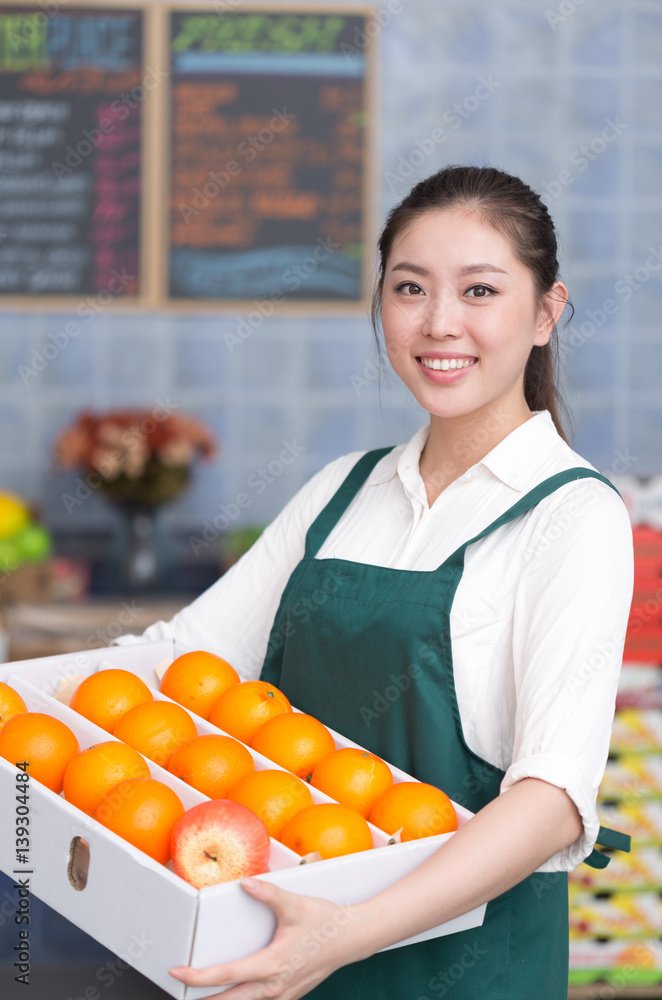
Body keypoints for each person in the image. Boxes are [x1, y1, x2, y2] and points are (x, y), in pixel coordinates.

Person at [116, 166, 634, 999]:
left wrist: (345, 935)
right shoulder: (341, 491)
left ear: (544, 314)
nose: (438, 324)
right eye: (408, 288)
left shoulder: (573, 518)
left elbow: (551, 801)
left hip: (458, 972)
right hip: (281, 946)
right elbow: (184, 659)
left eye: (478, 291)